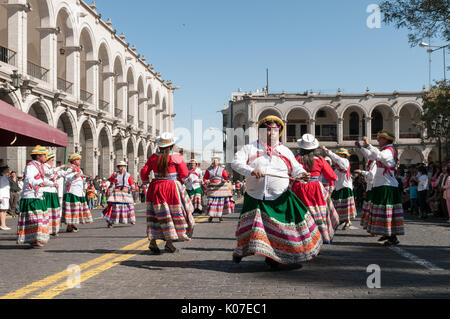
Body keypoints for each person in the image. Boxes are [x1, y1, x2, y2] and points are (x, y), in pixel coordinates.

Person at [231, 116, 322, 269]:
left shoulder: (284, 150)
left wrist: (302, 173)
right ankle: (241, 251)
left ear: (279, 132)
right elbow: (235, 163)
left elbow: (296, 168)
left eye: (274, 130)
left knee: (280, 230)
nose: (271, 133)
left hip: (279, 197)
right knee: (250, 228)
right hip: (256, 196)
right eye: (267, 130)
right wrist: (251, 170)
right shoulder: (250, 148)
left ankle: (274, 258)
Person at [140, 132, 195, 254]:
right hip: (171, 187)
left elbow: (144, 171)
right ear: (172, 145)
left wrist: (145, 181)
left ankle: (153, 242)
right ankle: (169, 243)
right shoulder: (176, 157)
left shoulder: (153, 157)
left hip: (155, 186)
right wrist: (184, 180)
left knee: (155, 214)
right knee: (172, 214)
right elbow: (184, 174)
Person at [291, 134, 339, 244]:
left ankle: (302, 237)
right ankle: (319, 235)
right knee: (317, 212)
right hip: (315, 188)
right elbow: (332, 176)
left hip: (299, 187)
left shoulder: (297, 159)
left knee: (301, 213)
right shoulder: (320, 160)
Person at [360, 130, 405, 246]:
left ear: (386, 139)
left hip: (387, 185)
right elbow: (371, 155)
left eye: (380, 138)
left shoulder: (389, 151)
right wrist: (361, 147)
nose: (378, 140)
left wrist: (368, 144)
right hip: (381, 184)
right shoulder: (384, 150)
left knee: (387, 211)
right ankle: (386, 233)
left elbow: (379, 156)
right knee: (383, 211)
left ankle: (392, 236)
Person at [17, 146, 50, 247]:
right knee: (35, 219)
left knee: (41, 218)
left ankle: (35, 239)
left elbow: (44, 179)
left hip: (38, 195)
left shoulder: (40, 166)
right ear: (39, 156)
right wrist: (37, 184)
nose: (46, 157)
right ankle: (33, 239)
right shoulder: (30, 166)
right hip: (31, 196)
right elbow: (28, 179)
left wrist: (52, 184)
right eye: (44, 155)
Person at [322, 147, 357, 230]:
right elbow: (334, 175)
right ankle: (345, 220)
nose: (338, 155)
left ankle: (346, 220)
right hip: (339, 187)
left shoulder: (344, 161)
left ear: (343, 155)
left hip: (344, 187)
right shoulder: (339, 167)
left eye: (339, 154)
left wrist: (327, 151)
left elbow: (336, 159)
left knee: (343, 204)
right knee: (339, 204)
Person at [62, 154, 94, 233]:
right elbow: (67, 178)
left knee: (75, 209)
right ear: (74, 161)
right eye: (78, 160)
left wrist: (87, 179)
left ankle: (71, 225)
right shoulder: (70, 168)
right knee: (72, 209)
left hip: (78, 191)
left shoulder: (79, 169)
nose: (79, 161)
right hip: (72, 192)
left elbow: (81, 180)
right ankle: (70, 225)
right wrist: (74, 176)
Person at [102, 161, 136, 228]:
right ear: (118, 167)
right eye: (120, 166)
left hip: (125, 192)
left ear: (125, 167)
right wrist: (113, 177)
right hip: (117, 191)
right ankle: (111, 221)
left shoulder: (128, 175)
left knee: (129, 205)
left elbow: (131, 183)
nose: (121, 168)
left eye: (123, 166)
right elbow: (110, 180)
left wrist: (132, 188)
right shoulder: (115, 174)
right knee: (115, 206)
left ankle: (131, 219)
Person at [204, 157, 235, 223]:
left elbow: (226, 177)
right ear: (212, 162)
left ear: (218, 162)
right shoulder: (208, 170)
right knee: (211, 202)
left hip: (221, 187)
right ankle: (211, 216)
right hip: (212, 187)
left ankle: (220, 216)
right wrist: (206, 181)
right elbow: (205, 178)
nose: (215, 162)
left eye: (216, 161)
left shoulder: (222, 169)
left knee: (220, 203)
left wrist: (226, 179)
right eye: (214, 161)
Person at [42, 152, 66, 236]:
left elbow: (63, 173)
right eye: (52, 160)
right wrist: (59, 167)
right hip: (46, 191)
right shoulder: (44, 167)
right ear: (48, 160)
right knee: (47, 211)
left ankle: (53, 229)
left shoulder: (53, 168)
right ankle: (46, 229)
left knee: (54, 211)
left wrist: (72, 170)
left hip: (53, 192)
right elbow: (48, 173)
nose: (53, 161)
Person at [0, 165, 11, 231]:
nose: (8, 171)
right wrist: (0, 197)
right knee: (2, 211)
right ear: (3, 170)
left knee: (4, 211)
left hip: (6, 196)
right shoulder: (1, 178)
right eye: (7, 170)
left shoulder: (5, 178)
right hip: (3, 196)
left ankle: (3, 224)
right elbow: (1, 188)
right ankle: (2, 225)